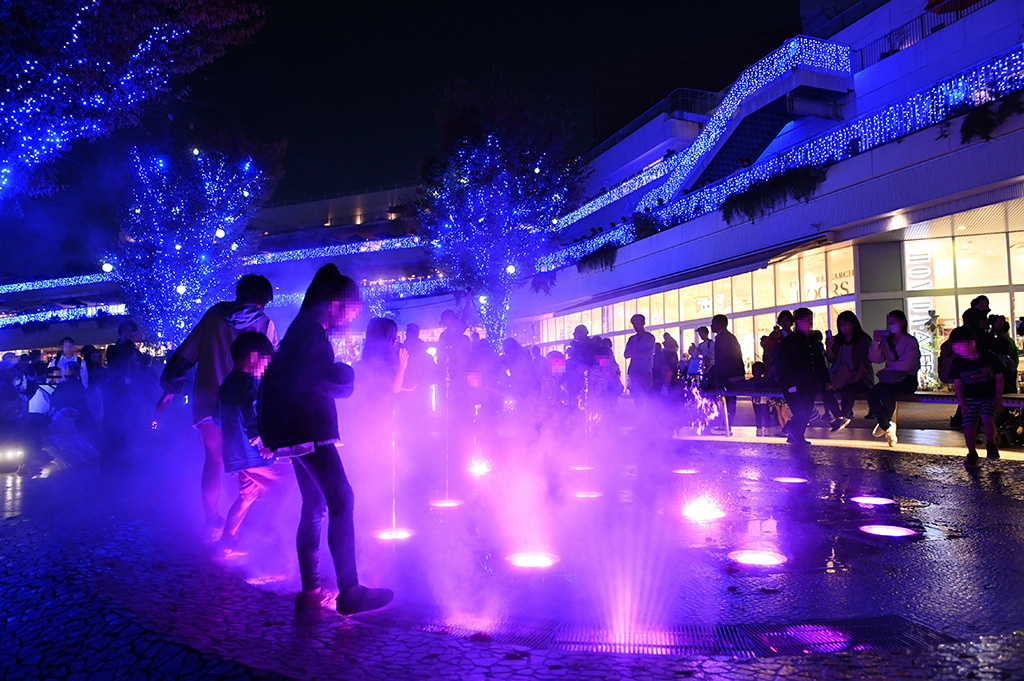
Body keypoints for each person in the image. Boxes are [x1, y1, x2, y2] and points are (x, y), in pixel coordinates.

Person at [257, 264, 392, 616]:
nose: (351, 318)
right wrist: (346, 375)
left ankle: (310, 590)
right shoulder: (310, 333)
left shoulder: (301, 330)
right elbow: (318, 380)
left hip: (293, 431)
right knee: (342, 499)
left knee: (315, 505)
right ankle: (351, 591)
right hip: (307, 429)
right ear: (335, 304)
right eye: (351, 311)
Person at [158, 274, 277, 539]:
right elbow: (272, 364)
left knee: (213, 459)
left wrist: (169, 389)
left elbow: (188, 351)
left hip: (209, 399)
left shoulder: (213, 315)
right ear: (263, 301)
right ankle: (246, 519)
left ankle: (211, 520)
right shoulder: (263, 322)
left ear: (239, 293)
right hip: (244, 403)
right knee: (251, 460)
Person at [215, 332, 280, 552]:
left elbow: (217, 417)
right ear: (253, 357)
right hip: (255, 456)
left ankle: (226, 541)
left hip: (237, 456)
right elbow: (251, 412)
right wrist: (262, 441)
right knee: (286, 483)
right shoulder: (250, 382)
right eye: (266, 362)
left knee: (246, 498)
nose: (266, 368)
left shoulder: (226, 384)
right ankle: (270, 529)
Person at [949, 326, 1003, 468]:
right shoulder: (958, 363)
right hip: (970, 398)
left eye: (959, 346)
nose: (956, 349)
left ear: (972, 343)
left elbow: (999, 377)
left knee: (987, 418)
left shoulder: (988, 357)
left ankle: (991, 443)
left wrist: (998, 397)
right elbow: (958, 385)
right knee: (969, 425)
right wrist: (962, 403)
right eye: (954, 346)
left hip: (988, 396)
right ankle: (972, 452)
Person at [774, 308, 830, 445]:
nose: (809, 323)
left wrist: (825, 378)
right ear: (798, 321)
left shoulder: (811, 340)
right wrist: (788, 382)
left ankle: (794, 433)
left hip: (809, 382)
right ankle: (794, 432)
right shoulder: (790, 341)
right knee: (802, 409)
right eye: (806, 320)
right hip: (797, 382)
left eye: (810, 320)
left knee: (805, 408)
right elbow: (783, 364)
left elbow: (819, 362)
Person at [867, 309, 921, 447]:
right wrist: (875, 342)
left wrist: (887, 369)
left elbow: (907, 364)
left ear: (902, 322)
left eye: (894, 322)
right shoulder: (886, 341)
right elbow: (876, 358)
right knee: (872, 395)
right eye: (889, 322)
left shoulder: (910, 341)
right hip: (889, 378)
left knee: (887, 394)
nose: (891, 325)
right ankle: (886, 425)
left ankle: (885, 424)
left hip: (906, 379)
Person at [823, 310, 875, 431]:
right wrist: (829, 347)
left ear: (853, 324)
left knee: (848, 391)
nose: (843, 327)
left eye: (845, 324)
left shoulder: (862, 340)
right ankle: (840, 416)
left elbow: (864, 362)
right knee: (826, 391)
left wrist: (855, 378)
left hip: (859, 378)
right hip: (840, 376)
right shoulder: (838, 340)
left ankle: (844, 416)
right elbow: (832, 359)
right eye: (840, 324)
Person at [710, 314, 745, 424]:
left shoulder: (722, 338)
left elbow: (722, 359)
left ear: (719, 324)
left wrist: (716, 374)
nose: (711, 326)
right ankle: (727, 424)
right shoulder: (729, 337)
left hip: (729, 375)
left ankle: (726, 425)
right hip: (734, 374)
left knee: (728, 400)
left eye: (713, 323)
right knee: (730, 400)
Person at [623, 314, 656, 412]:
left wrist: (634, 354)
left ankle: (649, 415)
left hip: (645, 370)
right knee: (636, 396)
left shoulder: (649, 337)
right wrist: (639, 354)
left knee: (648, 395)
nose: (635, 326)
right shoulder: (632, 339)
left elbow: (648, 354)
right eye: (634, 324)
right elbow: (626, 354)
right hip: (634, 370)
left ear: (643, 323)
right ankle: (638, 414)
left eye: (637, 323)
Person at [745, 361, 776, 437]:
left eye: (756, 370)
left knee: (764, 414)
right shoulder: (762, 381)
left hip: (763, 400)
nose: (754, 372)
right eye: (753, 370)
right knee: (759, 414)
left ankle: (766, 428)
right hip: (756, 400)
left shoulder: (762, 381)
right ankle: (760, 428)